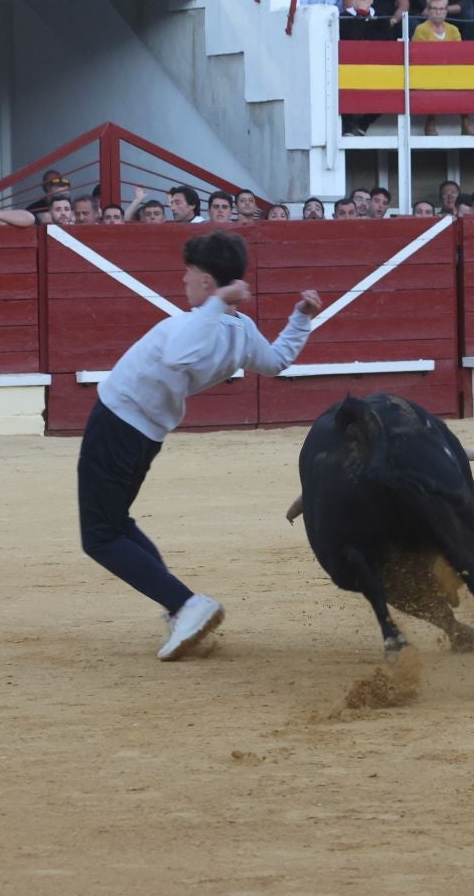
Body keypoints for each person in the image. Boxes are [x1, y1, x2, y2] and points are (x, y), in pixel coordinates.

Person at [81, 231, 322, 661]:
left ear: (208, 282)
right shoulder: (240, 328)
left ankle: (185, 604)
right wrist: (300, 318)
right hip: (144, 432)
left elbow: (178, 356)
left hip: (118, 423)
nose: (184, 281)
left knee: (100, 536)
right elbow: (276, 361)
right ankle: (178, 605)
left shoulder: (194, 325)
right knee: (115, 523)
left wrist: (216, 304)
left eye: (190, 274)